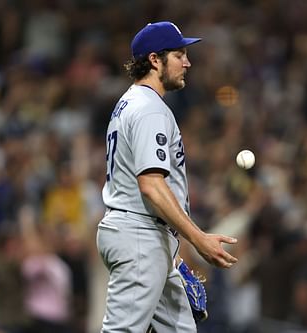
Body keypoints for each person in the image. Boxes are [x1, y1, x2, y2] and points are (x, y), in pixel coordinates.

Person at [96, 21, 239, 333]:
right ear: (154, 60)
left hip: (146, 235)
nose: (187, 62)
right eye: (179, 54)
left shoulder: (128, 103)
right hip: (139, 235)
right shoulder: (150, 109)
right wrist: (198, 238)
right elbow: (150, 185)